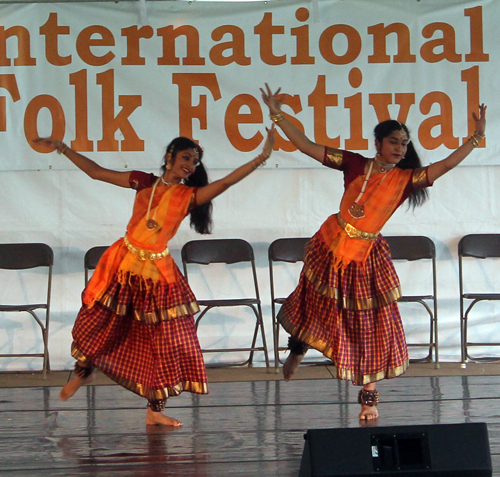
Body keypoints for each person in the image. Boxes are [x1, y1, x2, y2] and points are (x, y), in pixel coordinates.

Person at [261, 83, 486, 420]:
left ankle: (369, 397)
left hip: (365, 257)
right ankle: (297, 348)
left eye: (405, 143)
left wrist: (474, 139)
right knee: (313, 302)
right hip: (331, 245)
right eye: (393, 141)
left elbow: (445, 165)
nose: (400, 147)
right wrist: (277, 115)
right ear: (378, 144)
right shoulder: (353, 164)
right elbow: (306, 146)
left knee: (368, 323)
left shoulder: (407, 179)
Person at [33, 127, 275, 427]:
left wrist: (261, 158)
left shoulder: (188, 195)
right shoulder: (142, 182)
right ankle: (83, 371)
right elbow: (96, 172)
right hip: (123, 262)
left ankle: (155, 409)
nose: (191, 164)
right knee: (103, 322)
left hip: (156, 273)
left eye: (195, 162)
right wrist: (62, 147)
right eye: (186, 157)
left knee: (163, 341)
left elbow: (226, 182)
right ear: (170, 156)